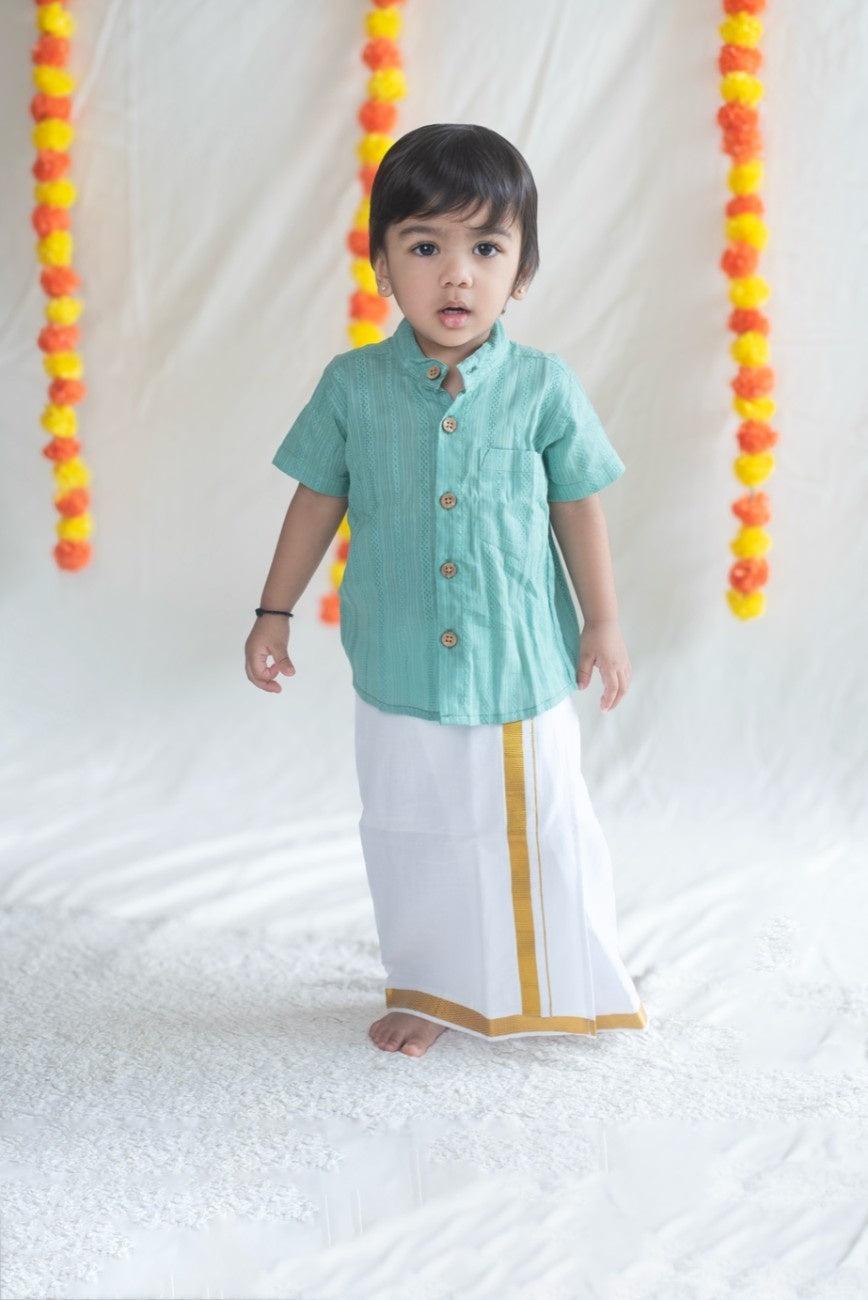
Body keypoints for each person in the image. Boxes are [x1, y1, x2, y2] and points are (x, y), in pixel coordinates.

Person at [245, 123, 648, 1058]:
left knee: (539, 828)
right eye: (425, 246)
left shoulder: (545, 388)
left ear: (523, 270)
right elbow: (315, 500)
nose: (456, 275)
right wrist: (273, 613)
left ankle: (563, 983)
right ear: (382, 264)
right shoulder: (352, 386)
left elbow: (578, 507)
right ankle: (433, 987)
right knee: (414, 833)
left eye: (486, 249)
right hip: (398, 662)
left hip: (519, 663)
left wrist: (604, 623)